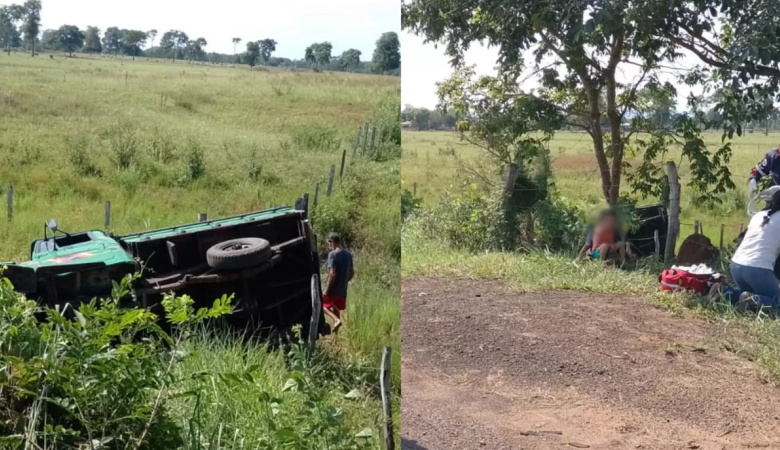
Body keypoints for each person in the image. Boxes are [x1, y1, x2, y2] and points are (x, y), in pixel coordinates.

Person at [709, 190, 780, 311]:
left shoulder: (759, 215)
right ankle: (751, 301)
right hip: (758, 270)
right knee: (777, 303)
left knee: (750, 292)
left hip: (737, 266)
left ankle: (723, 292)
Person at [322, 232, 354, 333]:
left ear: (332, 242)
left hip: (333, 290)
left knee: (321, 306)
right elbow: (352, 272)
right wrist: (344, 281)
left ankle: (336, 320)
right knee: (336, 310)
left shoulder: (332, 254)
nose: (329, 246)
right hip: (342, 290)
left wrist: (326, 291)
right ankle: (336, 336)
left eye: (329, 244)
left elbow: (332, 274)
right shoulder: (348, 254)